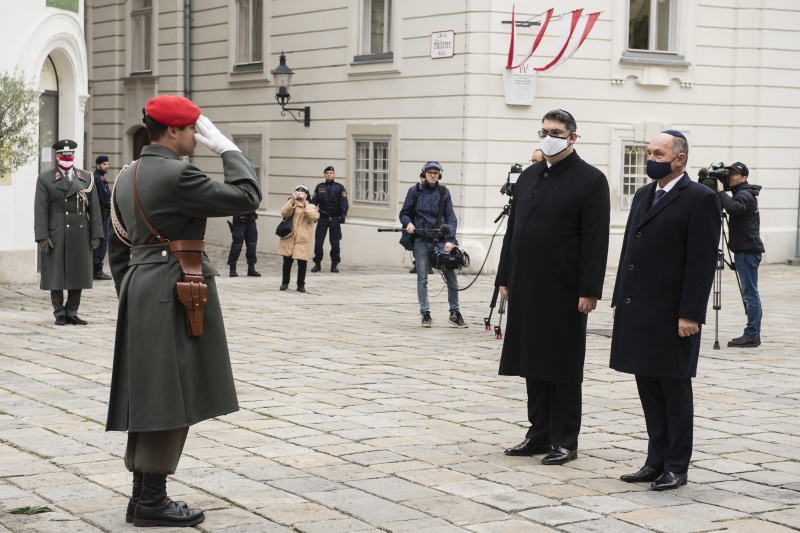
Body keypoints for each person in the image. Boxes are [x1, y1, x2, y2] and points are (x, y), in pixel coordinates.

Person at [106, 94, 261, 527]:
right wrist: (228, 148)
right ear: (172, 131)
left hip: (140, 287)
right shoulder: (178, 175)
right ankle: (153, 501)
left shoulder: (125, 174)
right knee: (169, 397)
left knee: (150, 394)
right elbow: (247, 196)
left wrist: (134, 291)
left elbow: (119, 248)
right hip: (174, 287)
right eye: (194, 129)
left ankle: (142, 497)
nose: (198, 136)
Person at [496, 109, 610, 465]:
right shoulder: (530, 175)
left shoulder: (591, 180)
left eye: (557, 132)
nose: (549, 137)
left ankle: (565, 438)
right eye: (544, 131)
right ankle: (539, 433)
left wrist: (589, 289)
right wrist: (504, 277)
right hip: (526, 282)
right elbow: (513, 232)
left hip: (564, 288)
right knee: (532, 360)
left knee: (561, 364)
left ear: (572, 137)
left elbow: (595, 240)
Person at [611, 130, 721, 491]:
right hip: (639, 306)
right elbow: (629, 250)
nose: (651, 158)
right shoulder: (644, 194)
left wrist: (691, 314)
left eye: (658, 152)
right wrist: (618, 300)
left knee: (674, 390)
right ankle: (654, 459)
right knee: (648, 388)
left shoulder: (701, 199)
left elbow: (702, 263)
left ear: (680, 159)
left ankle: (677, 464)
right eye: (648, 152)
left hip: (673, 311)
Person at [34, 139, 103, 325]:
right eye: (64, 156)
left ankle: (72, 311)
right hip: (56, 233)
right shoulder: (46, 179)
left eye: (70, 155)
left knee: (78, 272)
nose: (67, 158)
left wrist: (97, 233)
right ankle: (59, 313)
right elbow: (40, 210)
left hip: (80, 233)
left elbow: (94, 208)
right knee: (55, 274)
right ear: (57, 157)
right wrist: (42, 236)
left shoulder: (86, 178)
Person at [399, 161, 466, 328]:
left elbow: (451, 218)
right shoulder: (414, 192)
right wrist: (408, 223)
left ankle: (454, 312)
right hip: (421, 240)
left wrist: (450, 240)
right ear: (424, 173)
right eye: (430, 172)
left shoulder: (444, 192)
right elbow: (404, 213)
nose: (433, 175)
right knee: (422, 278)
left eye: (436, 172)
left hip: (441, 240)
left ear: (440, 175)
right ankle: (425, 313)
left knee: (451, 275)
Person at [716, 162, 764, 347]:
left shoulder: (744, 194)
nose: (730, 177)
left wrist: (720, 192)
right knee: (751, 294)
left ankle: (751, 335)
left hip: (747, 252)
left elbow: (734, 208)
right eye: (729, 174)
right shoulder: (742, 193)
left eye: (734, 174)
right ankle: (753, 333)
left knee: (750, 294)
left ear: (744, 178)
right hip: (746, 251)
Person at [279, 185, 320, 292]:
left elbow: (313, 217)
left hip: (303, 238)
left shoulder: (311, 206)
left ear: (307, 195)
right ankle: (284, 283)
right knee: (287, 261)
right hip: (289, 236)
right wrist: (293, 200)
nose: (300, 194)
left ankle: (301, 285)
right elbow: (284, 212)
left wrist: (304, 204)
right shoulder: (291, 204)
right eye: (298, 192)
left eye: (302, 193)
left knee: (302, 262)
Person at [311, 166, 349, 273]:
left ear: (334, 174)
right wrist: (312, 215)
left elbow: (344, 203)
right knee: (318, 242)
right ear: (324, 175)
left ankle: (334, 264)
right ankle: (317, 263)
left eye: (331, 173)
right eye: (327, 173)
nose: (329, 174)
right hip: (322, 217)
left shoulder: (339, 187)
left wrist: (343, 215)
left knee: (335, 243)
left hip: (334, 218)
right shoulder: (319, 187)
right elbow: (313, 203)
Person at [92, 155, 113, 280]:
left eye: (108, 164)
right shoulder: (98, 179)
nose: (107, 167)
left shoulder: (100, 179)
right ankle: (97, 270)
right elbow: (103, 200)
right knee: (102, 242)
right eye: (104, 164)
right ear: (98, 165)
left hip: (102, 215)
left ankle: (96, 269)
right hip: (101, 215)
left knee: (101, 241)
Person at [226, 211, 260, 277]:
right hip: (239, 221)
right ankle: (232, 268)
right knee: (237, 245)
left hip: (251, 220)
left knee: (252, 245)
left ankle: (251, 268)